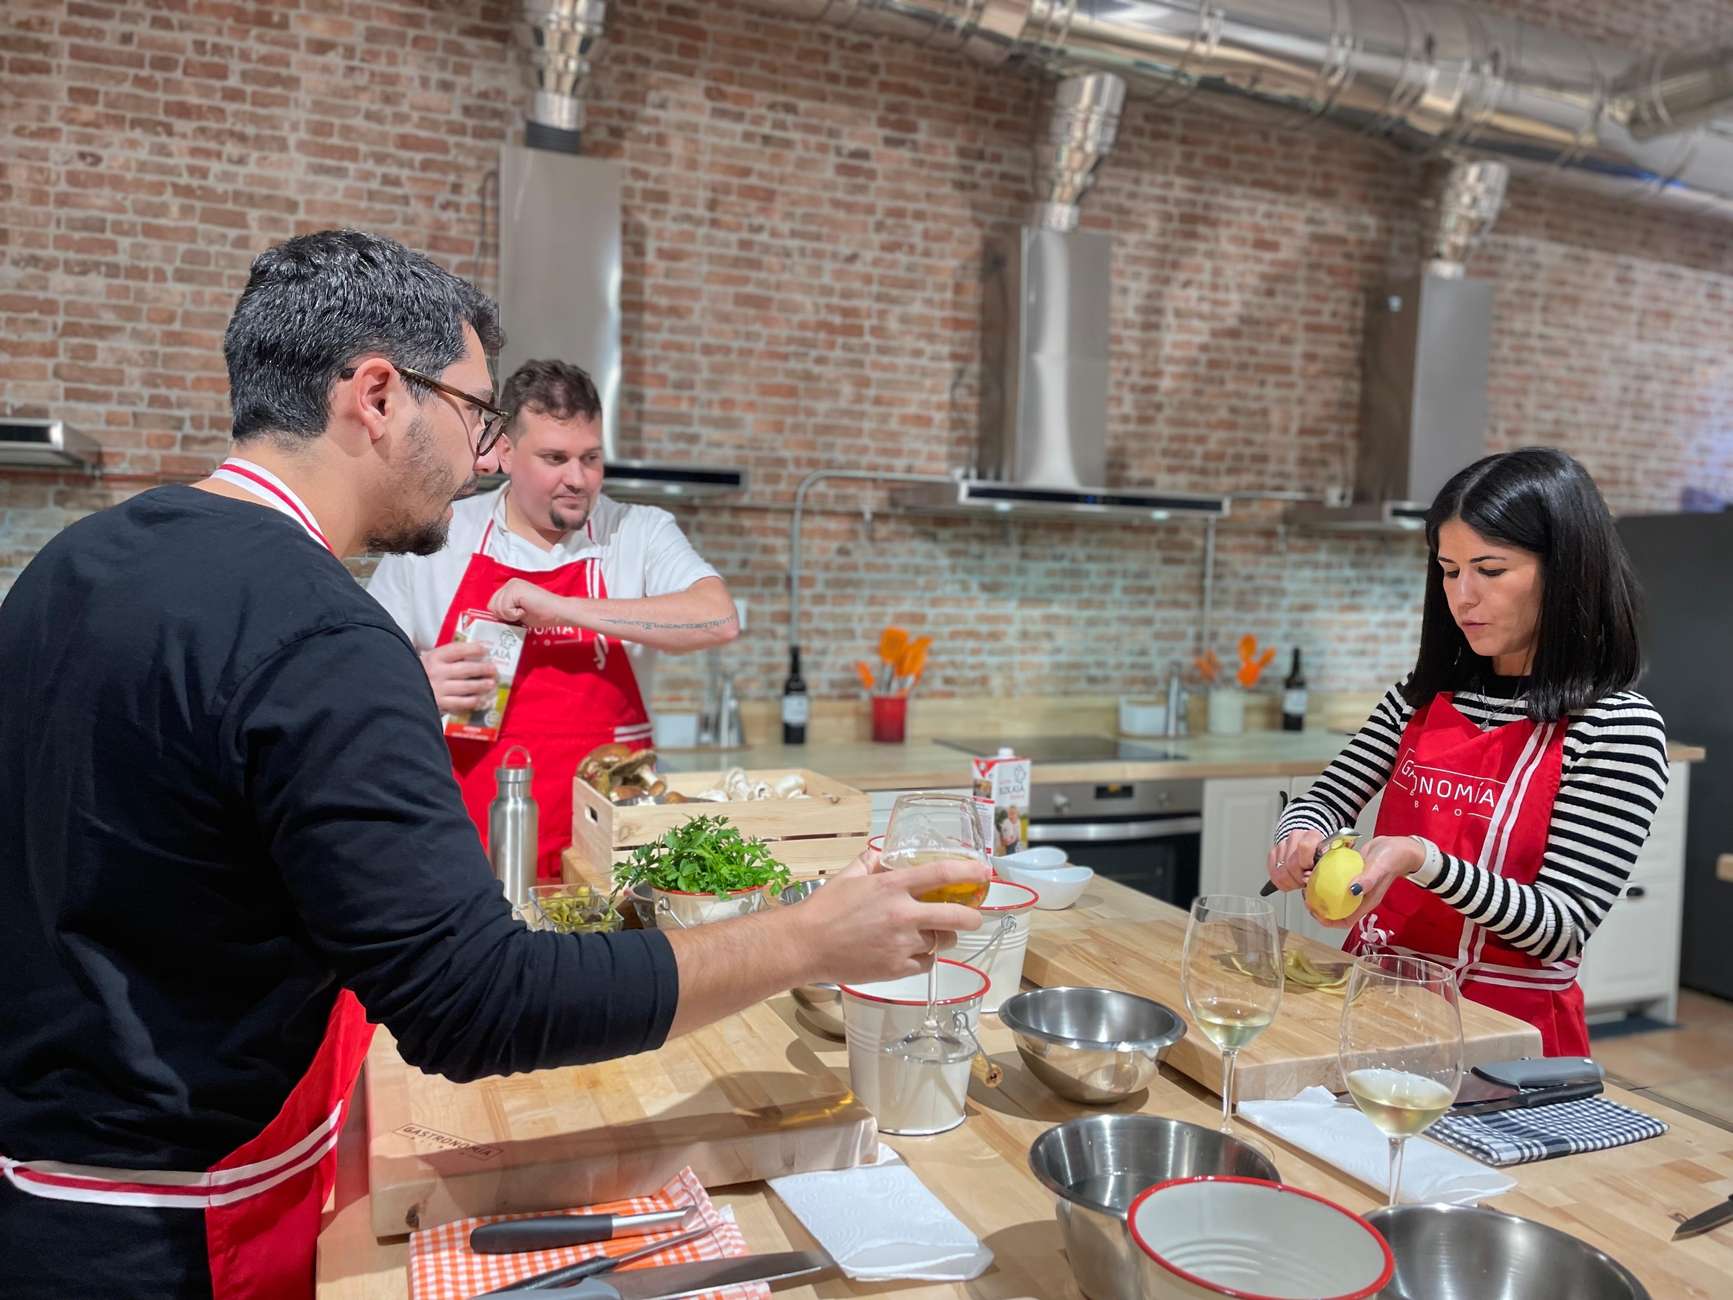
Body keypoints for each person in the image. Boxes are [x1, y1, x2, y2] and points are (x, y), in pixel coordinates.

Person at [0, 229, 986, 1300]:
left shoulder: (72, 563)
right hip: (177, 1226)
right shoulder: (326, 631)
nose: (483, 456)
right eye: (474, 414)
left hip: (41, 1192)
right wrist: (807, 935)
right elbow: (474, 1002)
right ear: (377, 395)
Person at [1265, 448, 1669, 1057]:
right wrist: (1299, 834)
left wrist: (1422, 861)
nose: (1463, 598)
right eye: (1450, 571)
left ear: (1565, 571)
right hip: (1375, 1011)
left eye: (1490, 570)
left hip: (1509, 1041)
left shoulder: (1618, 727)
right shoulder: (1419, 697)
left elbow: (1560, 925)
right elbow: (1328, 796)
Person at [368, 360, 736, 879]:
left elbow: (716, 620)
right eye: (554, 458)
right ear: (505, 452)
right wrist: (416, 684)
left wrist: (559, 606)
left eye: (591, 458)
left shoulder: (636, 531)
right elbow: (356, 687)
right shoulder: (440, 539)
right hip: (470, 846)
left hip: (614, 855)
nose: (578, 479)